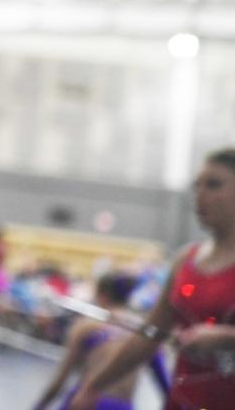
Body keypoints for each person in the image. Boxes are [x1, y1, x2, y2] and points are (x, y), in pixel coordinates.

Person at [71, 148, 235, 410]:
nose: (200, 195)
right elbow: (148, 336)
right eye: (197, 186)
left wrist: (226, 338)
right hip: (183, 401)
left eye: (214, 185)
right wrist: (93, 387)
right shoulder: (185, 261)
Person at [31, 272, 169, 410]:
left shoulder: (87, 326)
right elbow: (165, 384)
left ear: (102, 297)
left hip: (87, 401)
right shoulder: (145, 332)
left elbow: (60, 381)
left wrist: (38, 407)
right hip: (121, 406)